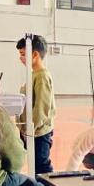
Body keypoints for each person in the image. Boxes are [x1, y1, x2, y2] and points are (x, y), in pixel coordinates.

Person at [16, 35, 56, 175]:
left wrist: (30, 130)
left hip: (38, 132)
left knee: (41, 166)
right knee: (34, 164)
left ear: (35, 54)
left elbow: (41, 109)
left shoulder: (41, 76)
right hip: (30, 130)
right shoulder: (33, 74)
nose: (20, 58)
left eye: (23, 54)